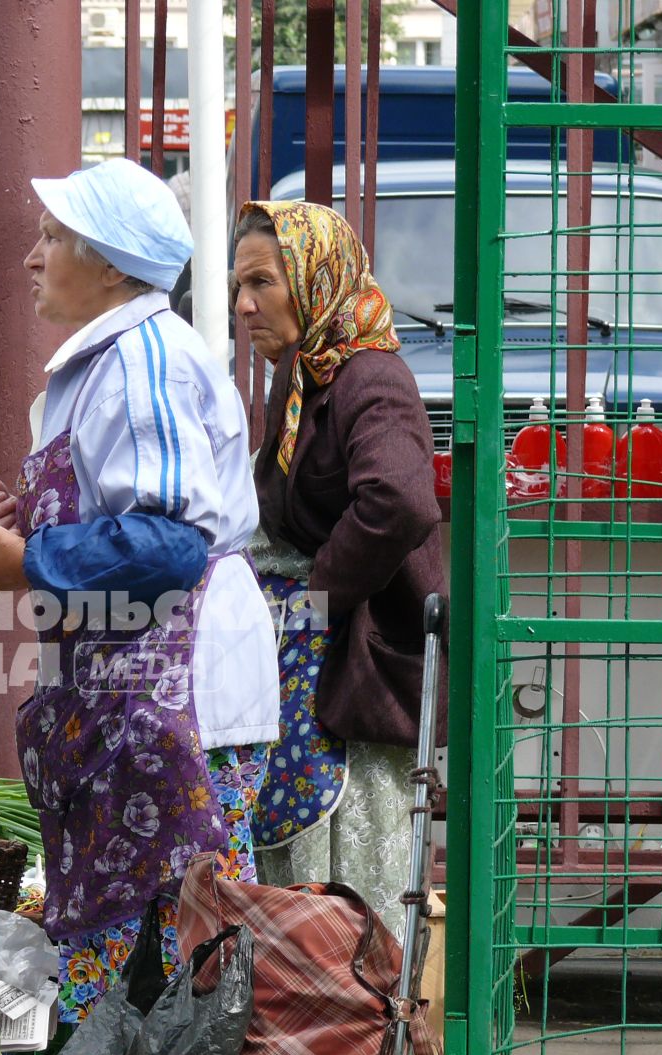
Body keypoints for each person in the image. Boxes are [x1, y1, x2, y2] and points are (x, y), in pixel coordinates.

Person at [0, 158, 279, 1023]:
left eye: (52, 238)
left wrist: (29, 562)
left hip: (177, 700)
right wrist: (35, 515)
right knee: (154, 949)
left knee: (188, 939)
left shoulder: (145, 361)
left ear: (111, 267)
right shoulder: (110, 361)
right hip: (130, 696)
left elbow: (170, 539)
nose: (32, 257)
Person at [231, 200, 446, 939]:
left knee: (351, 866)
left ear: (314, 279)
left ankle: (354, 1025)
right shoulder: (305, 373)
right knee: (299, 861)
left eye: (262, 282)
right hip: (315, 656)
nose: (242, 304)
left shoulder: (369, 378)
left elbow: (398, 501)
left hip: (355, 659)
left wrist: (313, 599)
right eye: (238, 286)